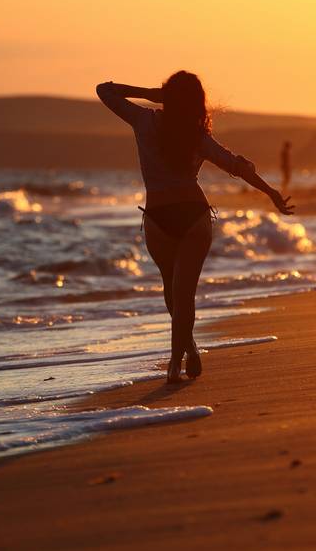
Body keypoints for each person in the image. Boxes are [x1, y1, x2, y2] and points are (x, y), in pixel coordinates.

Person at [96, 72, 294, 384]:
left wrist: (150, 93)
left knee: (175, 293)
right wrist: (270, 193)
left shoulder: (144, 121)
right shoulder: (196, 136)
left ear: (167, 96)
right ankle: (186, 350)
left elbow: (104, 91)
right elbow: (236, 166)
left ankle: (176, 362)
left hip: (160, 219)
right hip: (193, 217)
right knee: (179, 294)